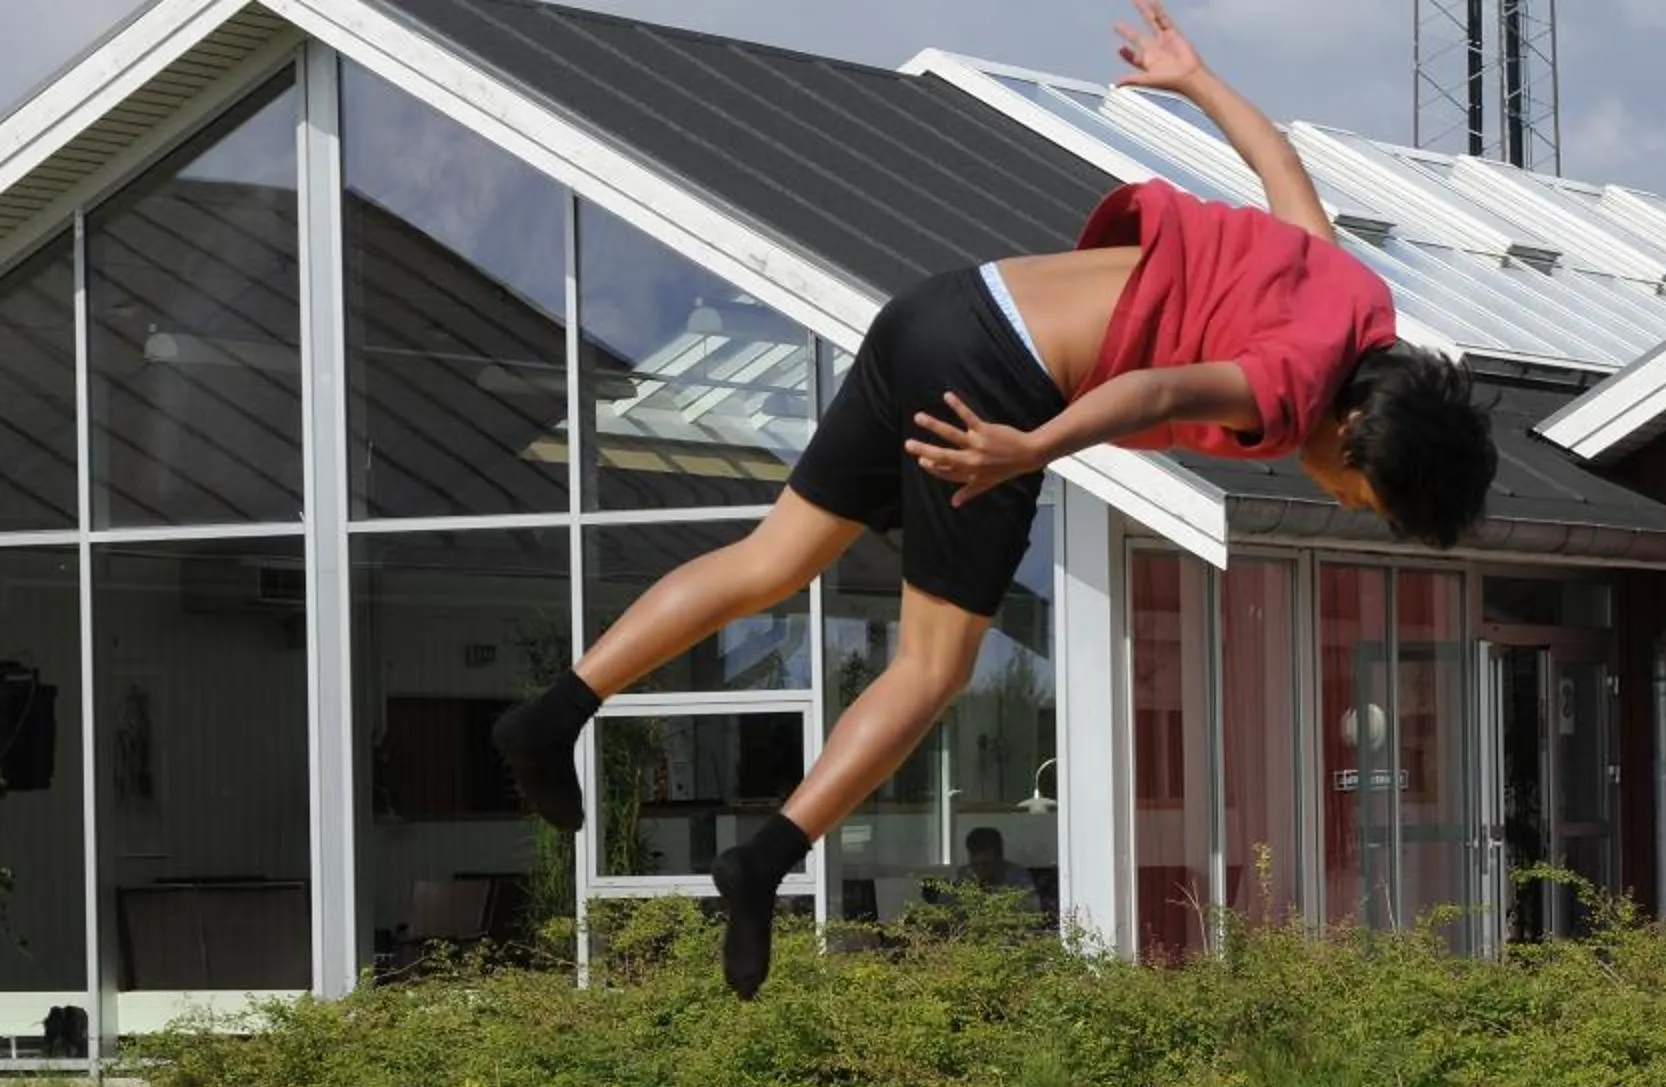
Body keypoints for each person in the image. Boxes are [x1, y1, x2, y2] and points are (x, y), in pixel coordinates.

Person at [490, 0, 1498, 998]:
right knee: (934, 667)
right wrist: (1030, 449)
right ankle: (764, 861)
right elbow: (1154, 391)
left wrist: (1194, 79)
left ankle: (555, 712)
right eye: (1366, 499)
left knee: (774, 559)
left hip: (940, 308)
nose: (1345, 504)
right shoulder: (1294, 391)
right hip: (995, 383)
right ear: (1359, 435)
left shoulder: (1355, 300)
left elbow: (1279, 163)